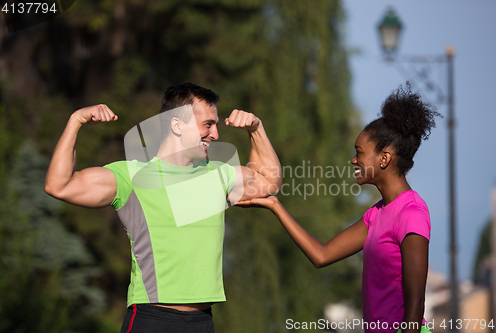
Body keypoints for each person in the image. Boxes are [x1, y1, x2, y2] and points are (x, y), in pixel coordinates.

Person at [44, 82, 282, 333]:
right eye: (208, 125)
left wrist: (256, 129)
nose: (215, 135)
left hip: (203, 323)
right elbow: (59, 185)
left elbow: (269, 181)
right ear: (177, 125)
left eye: (216, 126)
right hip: (152, 320)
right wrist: (75, 121)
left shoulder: (220, 175)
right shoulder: (132, 176)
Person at [235, 83, 441, 333]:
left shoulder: (411, 212)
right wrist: (275, 205)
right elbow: (321, 255)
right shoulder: (375, 215)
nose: (353, 160)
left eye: (359, 153)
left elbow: (416, 304)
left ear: (384, 158)